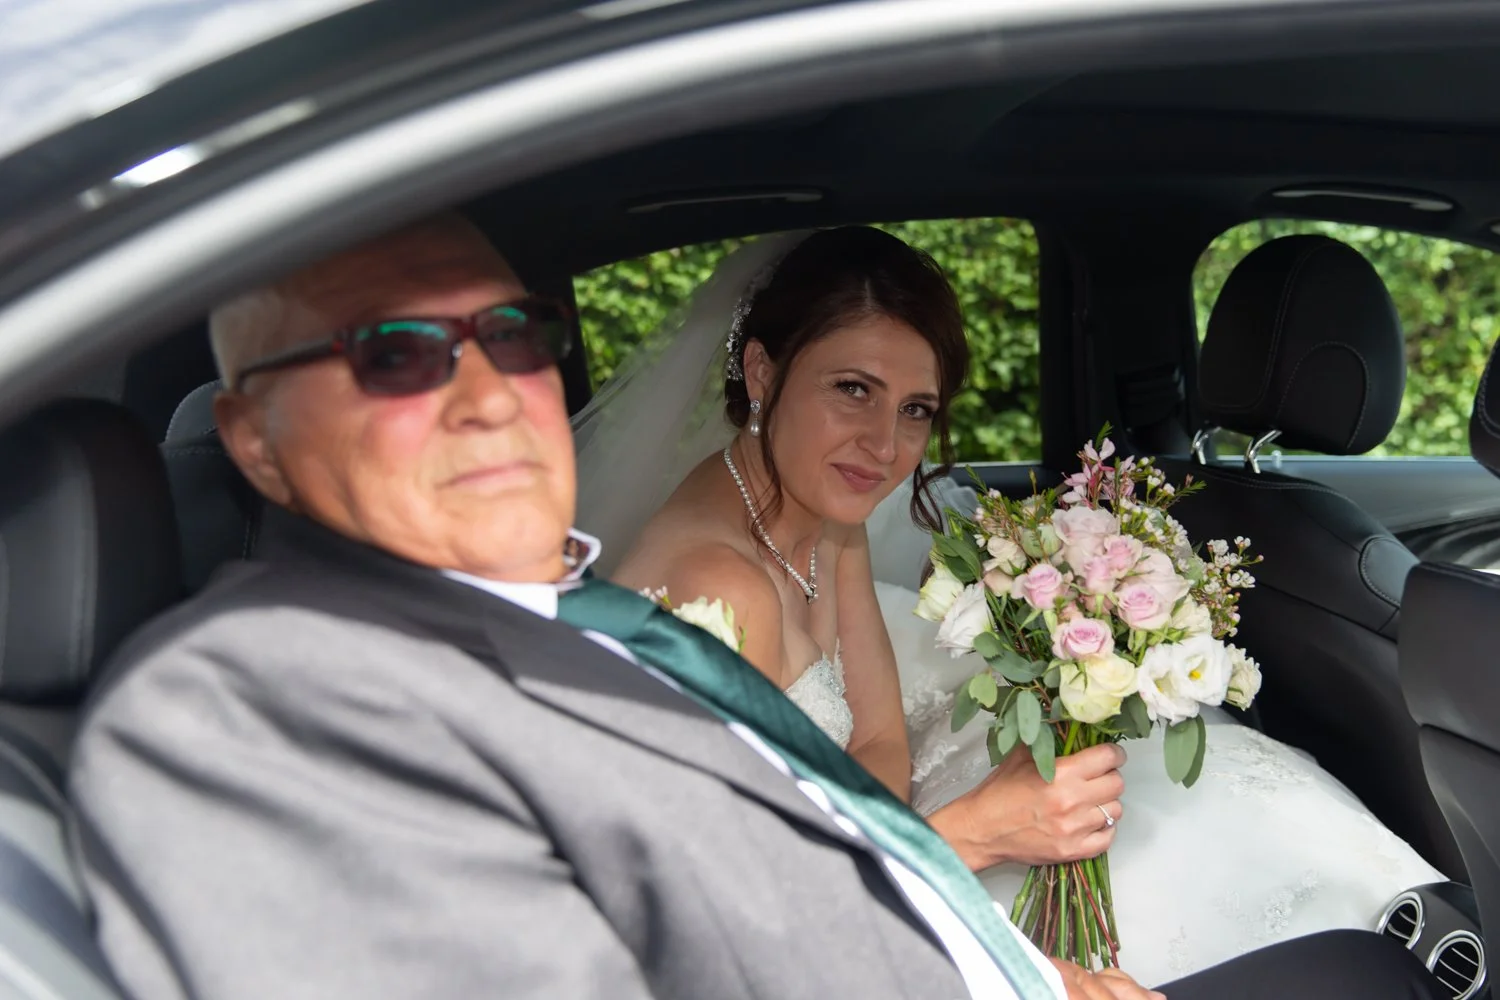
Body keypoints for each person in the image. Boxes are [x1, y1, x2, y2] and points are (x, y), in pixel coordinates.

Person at [68, 213, 1437, 1000]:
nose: (489, 393)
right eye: (397, 354)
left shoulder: (538, 608)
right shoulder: (249, 706)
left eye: (516, 338)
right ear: (249, 442)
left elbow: (772, 843)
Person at [593, 225, 1446, 987]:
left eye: (915, 409)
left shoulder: (820, 512)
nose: (885, 446)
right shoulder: (715, 590)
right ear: (761, 371)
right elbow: (724, 916)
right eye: (851, 389)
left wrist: (904, 830)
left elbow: (882, 738)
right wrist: (968, 841)